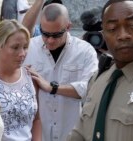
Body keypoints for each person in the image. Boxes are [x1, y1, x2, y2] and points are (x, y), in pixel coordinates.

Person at [67, 0, 133, 141]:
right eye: (112, 28)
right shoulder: (98, 80)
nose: (123, 35)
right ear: (103, 33)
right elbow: (80, 134)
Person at [23, 3, 98, 141]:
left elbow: (91, 88)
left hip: (72, 133)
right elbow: (21, 30)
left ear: (68, 27)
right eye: (45, 34)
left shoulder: (85, 51)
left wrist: (52, 88)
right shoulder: (28, 48)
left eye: (56, 35)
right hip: (38, 135)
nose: (50, 40)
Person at [0, 19, 41, 141]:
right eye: (15, 47)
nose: (22, 53)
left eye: (25, 47)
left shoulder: (30, 77)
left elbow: (37, 119)